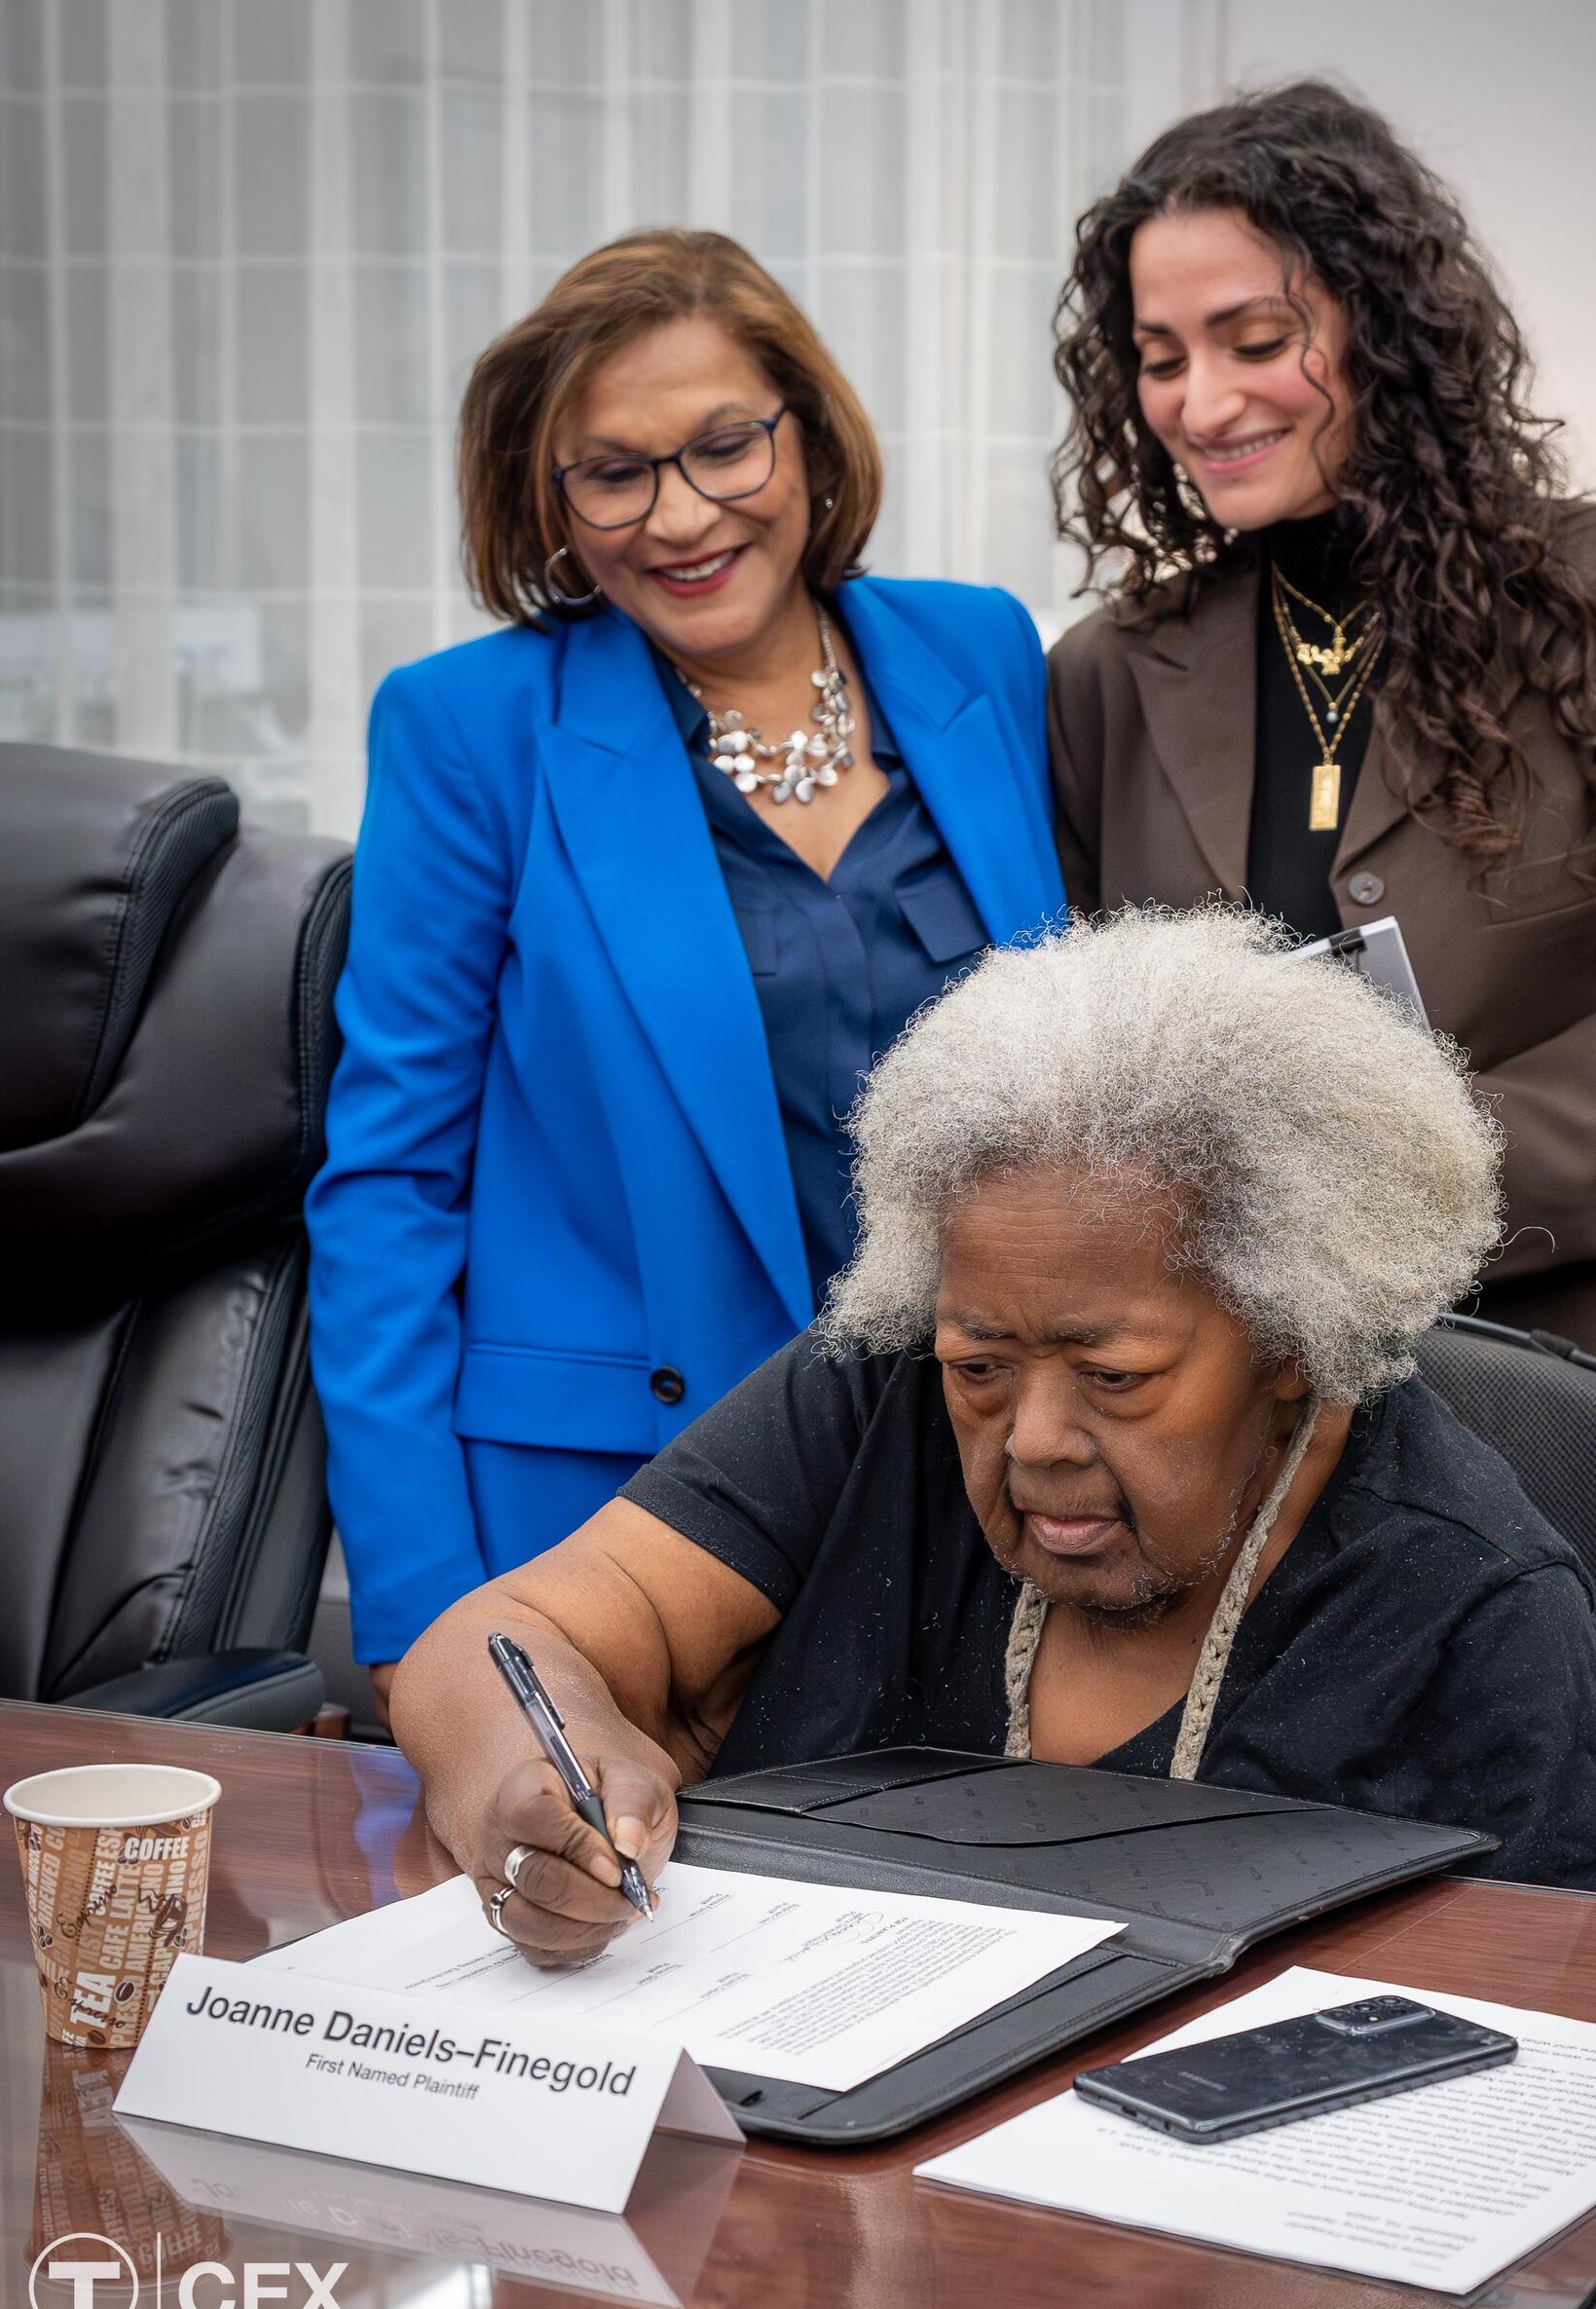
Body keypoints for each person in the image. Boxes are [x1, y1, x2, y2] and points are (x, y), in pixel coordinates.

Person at [390, 907, 1596, 1965]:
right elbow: (497, 1643)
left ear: (1294, 1343)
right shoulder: (879, 1392)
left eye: (1115, 1377)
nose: (1035, 1441)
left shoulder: (1475, 1613)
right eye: (983, 1369)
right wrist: (529, 1783)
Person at [1046, 81, 1596, 1669]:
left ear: (1385, 326)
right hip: (1282, 1495)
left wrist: (1431, 1164)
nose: (1202, 400)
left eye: (1255, 338)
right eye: (1159, 358)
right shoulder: (1110, 676)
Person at [307, 230, 1062, 1719]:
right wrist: (419, 1610)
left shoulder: (979, 654)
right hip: (622, 1507)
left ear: (809, 436)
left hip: (974, 1478)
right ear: (550, 498)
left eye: (724, 446)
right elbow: (391, 1184)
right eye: (615, 472)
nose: (682, 515)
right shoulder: (471, 728)